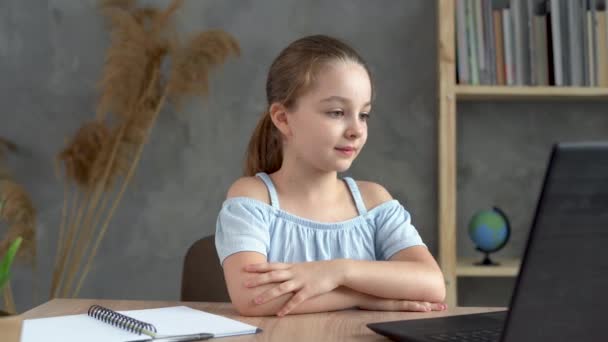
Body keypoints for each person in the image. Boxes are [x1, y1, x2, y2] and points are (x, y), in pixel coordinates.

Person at [215, 35, 446, 317]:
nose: (356, 130)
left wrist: (338, 271)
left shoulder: (373, 201)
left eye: (364, 115)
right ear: (283, 118)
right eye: (337, 112)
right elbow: (253, 299)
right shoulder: (253, 197)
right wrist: (365, 296)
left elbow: (432, 284)